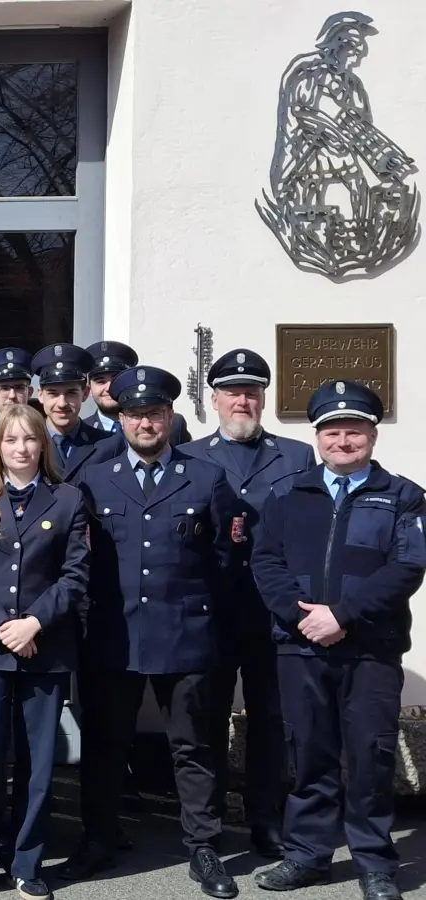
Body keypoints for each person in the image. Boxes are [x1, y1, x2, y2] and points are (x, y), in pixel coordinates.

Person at [64, 366, 240, 899]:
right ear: (121, 419)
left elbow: (226, 560)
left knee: (194, 745)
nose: (145, 423)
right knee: (103, 744)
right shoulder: (93, 480)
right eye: (135, 414)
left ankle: (204, 847)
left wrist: (211, 622)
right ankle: (100, 836)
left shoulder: (206, 477)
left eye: (155, 413)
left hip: (186, 631)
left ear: (170, 417)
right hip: (113, 634)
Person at [250, 380, 421, 900]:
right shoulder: (286, 493)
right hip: (301, 647)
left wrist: (342, 615)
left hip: (372, 648)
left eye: (354, 432)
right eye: (332, 432)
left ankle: (374, 863)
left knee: (371, 757)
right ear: (317, 437)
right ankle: (308, 855)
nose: (343, 441)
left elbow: (408, 567)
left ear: (372, 435)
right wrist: (303, 619)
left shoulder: (403, 495)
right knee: (309, 754)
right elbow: (265, 562)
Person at [0, 403, 90, 900]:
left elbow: (75, 576)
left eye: (31, 439)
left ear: (43, 445)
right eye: (11, 440)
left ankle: (27, 861)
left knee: (37, 761)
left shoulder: (69, 500)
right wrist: (2, 626)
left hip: (44, 648)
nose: (22, 449)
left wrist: (33, 621)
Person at [179, 348, 313, 859]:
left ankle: (266, 819)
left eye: (252, 391)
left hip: (272, 608)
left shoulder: (296, 456)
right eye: (233, 392)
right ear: (214, 400)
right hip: (211, 607)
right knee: (206, 718)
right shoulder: (190, 455)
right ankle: (206, 828)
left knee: (270, 717)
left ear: (263, 399)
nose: (243, 399)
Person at [29, 343, 120, 484]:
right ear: (40, 395)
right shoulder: (28, 443)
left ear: (85, 394)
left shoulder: (107, 444)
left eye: (71, 393)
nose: (62, 403)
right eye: (53, 394)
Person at [85, 340, 192, 445]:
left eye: (115, 380)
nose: (108, 387)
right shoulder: (82, 432)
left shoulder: (172, 425)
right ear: (89, 389)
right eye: (100, 381)